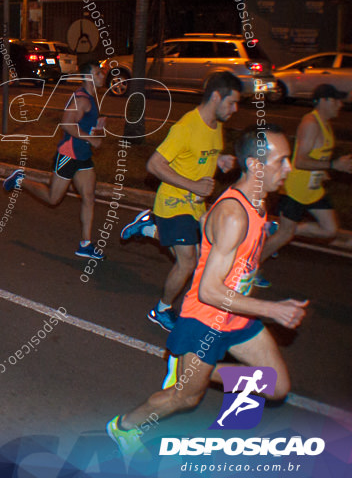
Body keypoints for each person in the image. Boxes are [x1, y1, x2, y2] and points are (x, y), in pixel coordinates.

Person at [107, 125, 307, 456]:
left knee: (276, 386)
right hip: (207, 320)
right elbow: (210, 291)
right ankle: (123, 427)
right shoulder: (234, 215)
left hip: (237, 314)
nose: (288, 169)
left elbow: (215, 239)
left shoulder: (258, 202)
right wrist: (273, 310)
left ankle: (202, 370)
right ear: (256, 167)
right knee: (185, 397)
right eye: (282, 161)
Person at [120, 71, 241, 331]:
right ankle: (162, 310)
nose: (235, 108)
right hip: (174, 203)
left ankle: (149, 227)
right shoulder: (185, 128)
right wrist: (194, 185)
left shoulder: (217, 125)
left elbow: (200, 158)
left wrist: (220, 161)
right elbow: (154, 164)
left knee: (196, 260)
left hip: (195, 206)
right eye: (231, 102)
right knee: (188, 261)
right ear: (216, 97)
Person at [3, 62, 108, 258]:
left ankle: (85, 244)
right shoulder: (81, 99)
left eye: (102, 72)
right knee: (53, 199)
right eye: (98, 73)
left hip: (83, 156)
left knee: (89, 197)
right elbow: (67, 125)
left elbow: (84, 124)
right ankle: (20, 180)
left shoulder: (92, 97)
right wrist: (91, 137)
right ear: (88, 77)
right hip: (69, 155)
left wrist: (97, 129)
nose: (102, 76)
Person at [260, 84, 351, 267]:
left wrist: (323, 171)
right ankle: (249, 270)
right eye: (336, 100)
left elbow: (317, 154)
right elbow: (300, 161)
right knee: (284, 236)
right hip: (296, 190)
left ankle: (277, 228)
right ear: (323, 100)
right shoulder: (310, 123)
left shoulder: (325, 123)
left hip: (313, 189)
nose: (340, 105)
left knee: (329, 230)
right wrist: (333, 165)